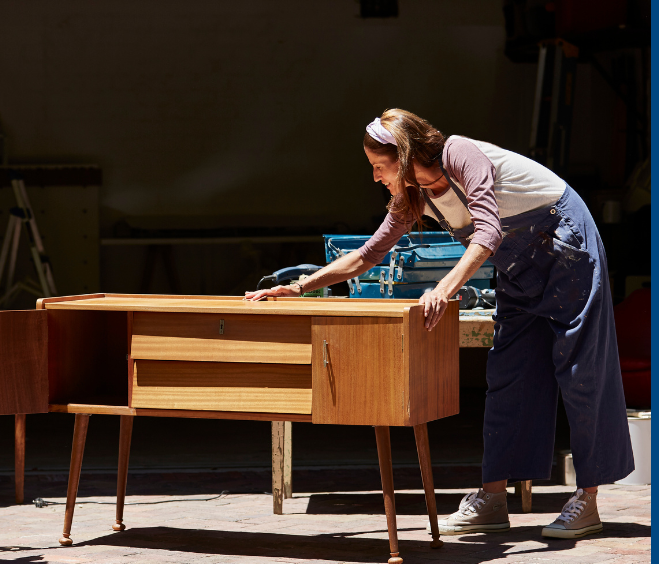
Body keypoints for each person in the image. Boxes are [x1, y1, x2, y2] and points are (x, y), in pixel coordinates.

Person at [246, 108, 634, 540]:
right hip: (517, 268)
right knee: (509, 374)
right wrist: (301, 287)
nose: (375, 177)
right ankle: (491, 498)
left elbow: (487, 232)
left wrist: (443, 289)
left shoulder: (461, 154)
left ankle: (588, 499)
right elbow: (369, 253)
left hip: (565, 245)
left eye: (379, 167)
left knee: (580, 371)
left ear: (405, 153)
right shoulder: (414, 194)